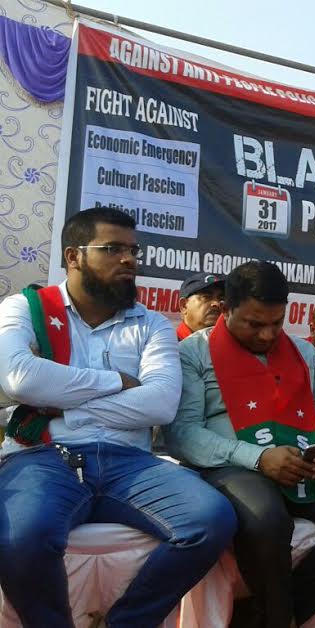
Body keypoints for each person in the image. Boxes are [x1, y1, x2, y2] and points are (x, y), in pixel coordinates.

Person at [0, 207, 236, 628]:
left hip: (130, 461)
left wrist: (63, 404)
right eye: (112, 249)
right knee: (21, 539)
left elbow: (160, 403)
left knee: (211, 520)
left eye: (133, 250)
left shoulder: (151, 324)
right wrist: (116, 381)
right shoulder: (26, 308)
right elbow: (19, 377)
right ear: (74, 256)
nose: (129, 259)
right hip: (45, 456)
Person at [165, 261, 315, 628]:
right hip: (234, 464)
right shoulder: (192, 352)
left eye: (277, 323)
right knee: (266, 521)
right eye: (254, 324)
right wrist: (258, 458)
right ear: (226, 308)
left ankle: (269, 614)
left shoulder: (305, 354)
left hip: (306, 459)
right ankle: (277, 616)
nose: (267, 335)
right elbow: (182, 434)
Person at [177, 271, 224, 340]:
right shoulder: (167, 343)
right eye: (207, 297)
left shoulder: (228, 344)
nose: (216, 303)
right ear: (184, 306)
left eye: (221, 298)